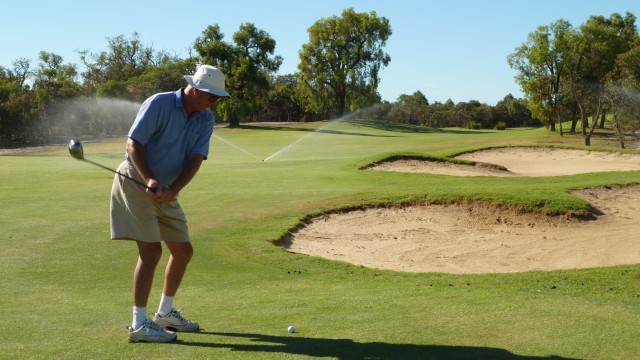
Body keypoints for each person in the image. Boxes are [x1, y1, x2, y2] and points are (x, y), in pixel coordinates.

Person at [110, 65, 230, 343]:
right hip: (136, 180)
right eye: (212, 97)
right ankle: (139, 325)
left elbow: (196, 158)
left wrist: (174, 189)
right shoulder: (160, 102)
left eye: (218, 99)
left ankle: (164, 314)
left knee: (183, 250)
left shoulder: (205, 119)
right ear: (197, 89)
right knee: (151, 252)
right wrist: (150, 179)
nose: (215, 103)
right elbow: (133, 145)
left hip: (167, 188)